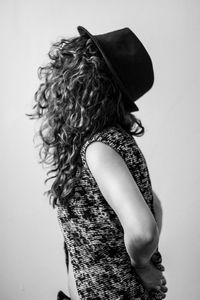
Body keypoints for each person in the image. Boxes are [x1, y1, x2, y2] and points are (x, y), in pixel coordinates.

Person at [26, 25, 168, 300]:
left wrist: (141, 264)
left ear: (87, 85)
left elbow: (144, 230)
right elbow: (155, 205)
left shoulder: (98, 148)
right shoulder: (110, 140)